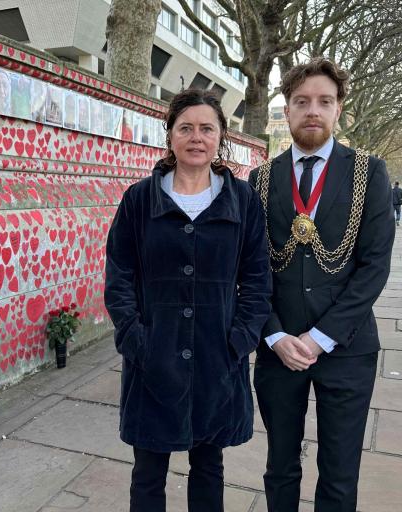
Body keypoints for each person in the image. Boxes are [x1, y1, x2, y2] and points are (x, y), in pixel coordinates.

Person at [105, 89, 272, 512]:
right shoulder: (139, 200)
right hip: (152, 356)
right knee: (147, 473)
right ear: (170, 136)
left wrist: (240, 340)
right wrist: (133, 337)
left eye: (206, 129)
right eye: (186, 128)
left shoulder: (242, 200)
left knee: (209, 467)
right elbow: (119, 275)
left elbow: (257, 277)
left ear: (220, 138)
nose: (196, 137)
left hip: (218, 355)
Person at [249, 57, 394, 512]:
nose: (313, 110)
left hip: (346, 350)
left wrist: (319, 337)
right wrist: (273, 335)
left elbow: (373, 267)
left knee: (339, 472)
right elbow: (249, 271)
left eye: (324, 102)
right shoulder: (260, 179)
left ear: (339, 111)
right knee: (280, 467)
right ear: (287, 110)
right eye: (301, 101)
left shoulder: (370, 173)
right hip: (278, 349)